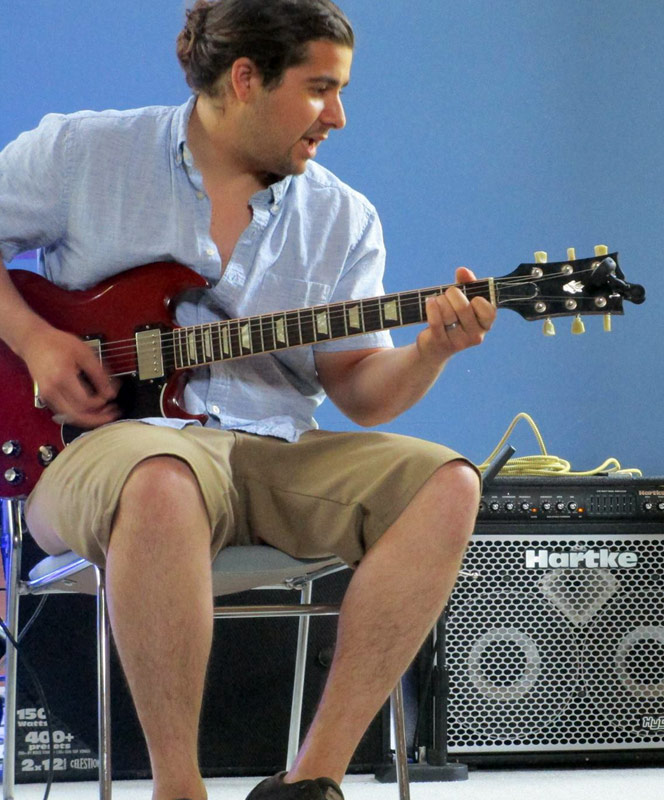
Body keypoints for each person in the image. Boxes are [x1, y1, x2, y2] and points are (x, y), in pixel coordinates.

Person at [0, 2, 495, 799]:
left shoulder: (342, 215)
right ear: (244, 79)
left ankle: (312, 780)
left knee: (448, 484)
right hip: (95, 452)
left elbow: (360, 393)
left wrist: (433, 350)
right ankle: (178, 788)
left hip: (269, 451)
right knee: (161, 475)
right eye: (318, 89)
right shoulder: (83, 152)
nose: (337, 115)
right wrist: (33, 340)